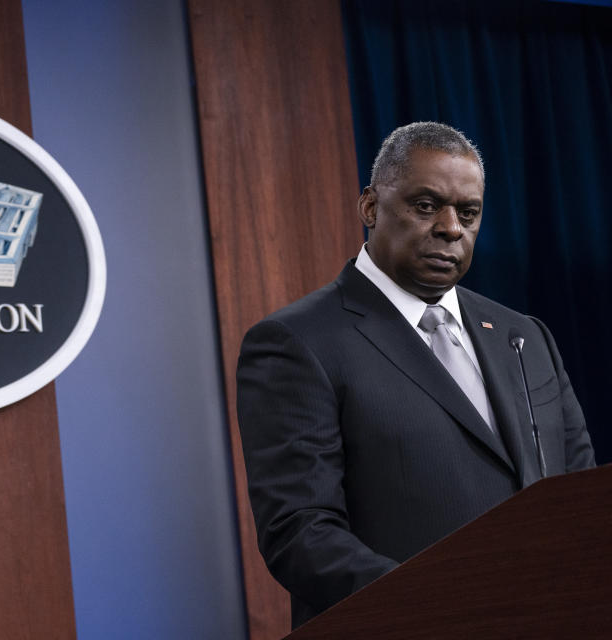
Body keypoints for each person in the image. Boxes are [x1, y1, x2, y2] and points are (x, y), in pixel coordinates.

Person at [236, 122, 595, 628]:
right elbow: (301, 532)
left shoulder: (524, 337)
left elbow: (580, 500)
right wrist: (440, 609)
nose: (451, 228)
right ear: (370, 207)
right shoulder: (297, 342)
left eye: (467, 213)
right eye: (426, 206)